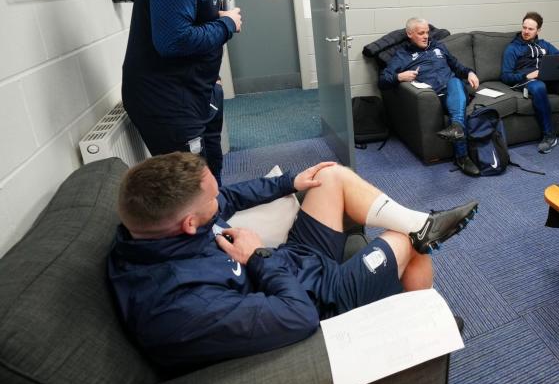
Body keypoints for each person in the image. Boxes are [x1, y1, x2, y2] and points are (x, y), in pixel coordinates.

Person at [108, 152, 478, 369]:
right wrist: (257, 256)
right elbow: (297, 317)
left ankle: (423, 223)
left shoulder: (155, 230)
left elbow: (228, 199)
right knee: (404, 242)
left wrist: (289, 183)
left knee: (328, 177)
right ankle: (427, 325)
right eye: (212, 199)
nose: (220, 200)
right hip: (313, 300)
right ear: (189, 224)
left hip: (288, 263)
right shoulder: (178, 307)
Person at [122, 0, 244, 184]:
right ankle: (204, 229)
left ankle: (216, 222)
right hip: (170, 103)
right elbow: (173, 41)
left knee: (211, 174)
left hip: (198, 89)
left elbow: (193, 24)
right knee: (190, 188)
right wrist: (228, 24)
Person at [380, 18, 481, 176]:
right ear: (410, 34)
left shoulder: (438, 46)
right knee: (457, 104)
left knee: (455, 81)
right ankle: (459, 138)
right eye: (421, 33)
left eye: (427, 32)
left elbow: (456, 65)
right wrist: (400, 76)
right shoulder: (403, 55)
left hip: (455, 91)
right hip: (434, 98)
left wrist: (469, 72)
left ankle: (461, 153)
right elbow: (383, 80)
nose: (426, 36)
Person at [500, 11, 559, 154]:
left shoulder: (544, 45)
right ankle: (549, 135)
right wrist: (528, 75)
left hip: (551, 79)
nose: (526, 31)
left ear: (538, 30)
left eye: (530, 29)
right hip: (530, 81)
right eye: (524, 27)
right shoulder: (512, 48)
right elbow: (506, 76)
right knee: (539, 87)